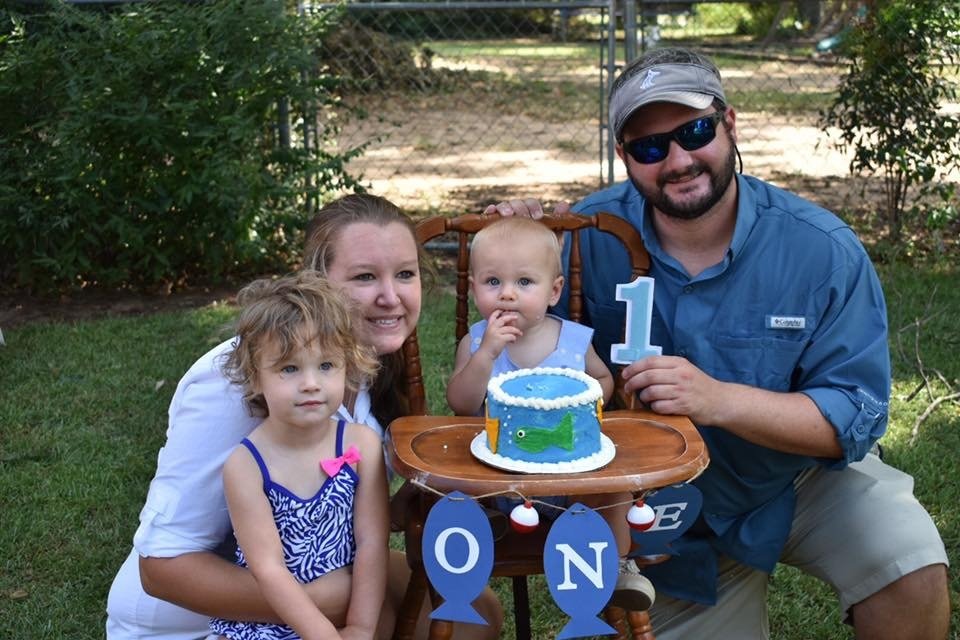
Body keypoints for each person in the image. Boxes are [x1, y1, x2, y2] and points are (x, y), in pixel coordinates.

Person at [486, 47, 950, 639]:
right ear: (625, 156)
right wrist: (516, 242)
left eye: (695, 132)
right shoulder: (590, 236)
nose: (678, 160)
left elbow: (855, 416)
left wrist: (717, 399)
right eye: (650, 147)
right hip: (659, 519)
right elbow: (516, 345)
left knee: (907, 562)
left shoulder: (821, 250)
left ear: (729, 124)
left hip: (797, 480)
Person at [106, 193, 503, 640]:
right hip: (192, 618)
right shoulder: (234, 382)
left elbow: (349, 507)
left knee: (475, 615)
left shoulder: (364, 364)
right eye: (365, 276)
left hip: (327, 573)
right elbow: (161, 569)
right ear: (317, 282)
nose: (390, 297)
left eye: (405, 274)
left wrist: (517, 232)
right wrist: (331, 601)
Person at [445, 215, 653, 612]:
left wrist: (588, 398)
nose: (507, 294)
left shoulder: (573, 340)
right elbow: (461, 403)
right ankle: (482, 529)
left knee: (614, 491)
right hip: (497, 479)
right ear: (474, 290)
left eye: (524, 282)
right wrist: (486, 354)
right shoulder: (476, 342)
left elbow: (602, 380)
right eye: (493, 282)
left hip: (571, 479)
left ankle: (618, 564)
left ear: (554, 290)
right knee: (455, 490)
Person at [209, 272, 386, 639]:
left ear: (347, 365)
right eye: (289, 368)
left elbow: (372, 543)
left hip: (346, 616)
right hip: (266, 623)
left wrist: (360, 627)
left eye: (326, 366)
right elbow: (268, 569)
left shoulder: (362, 446)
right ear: (255, 377)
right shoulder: (246, 466)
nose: (310, 383)